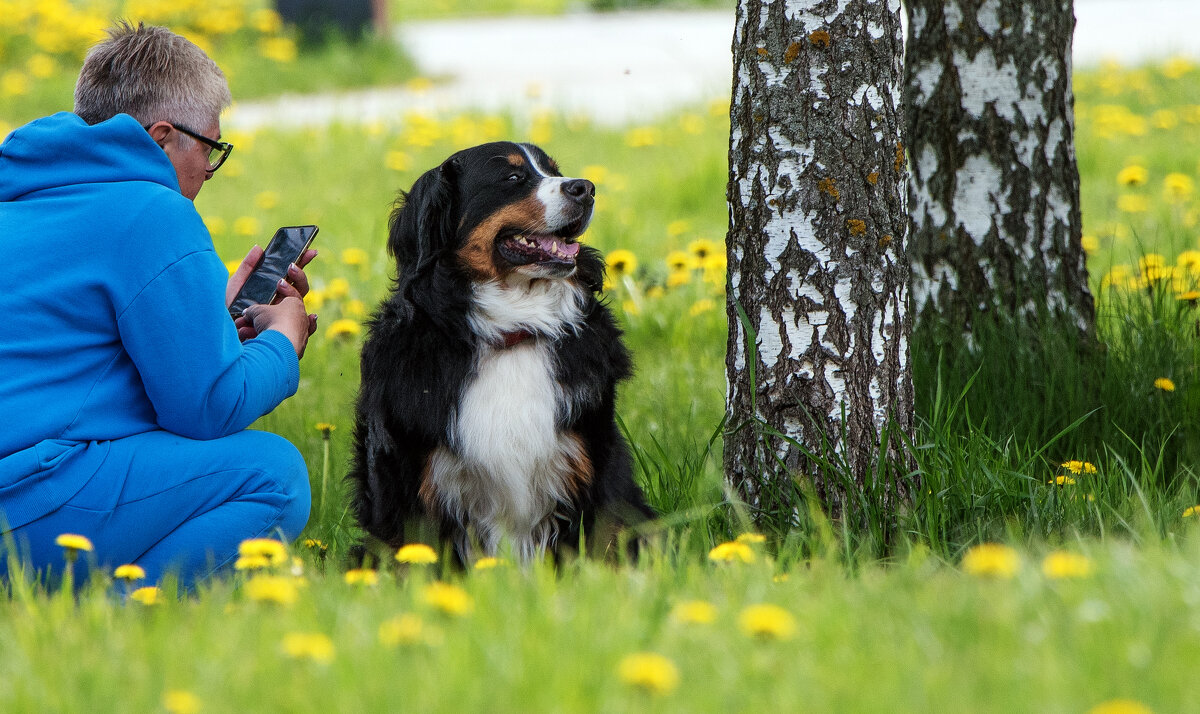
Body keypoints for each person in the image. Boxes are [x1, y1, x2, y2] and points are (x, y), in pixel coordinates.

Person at [0, 22, 317, 589]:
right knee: (274, 474)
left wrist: (209, 324)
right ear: (163, 138)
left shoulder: (21, 199)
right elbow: (207, 410)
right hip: (27, 502)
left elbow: (72, 369)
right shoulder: (153, 210)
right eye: (211, 148)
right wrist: (282, 341)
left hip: (24, 481)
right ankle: (114, 614)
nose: (209, 171)